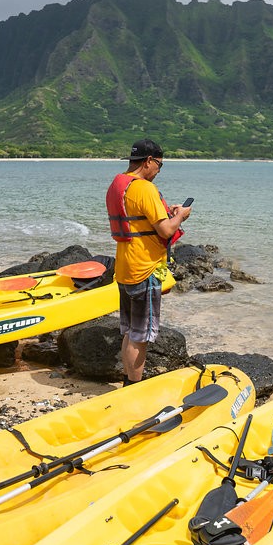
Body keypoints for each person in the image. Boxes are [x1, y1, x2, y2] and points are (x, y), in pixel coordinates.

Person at [106, 138, 191, 386]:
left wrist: (171, 214)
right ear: (149, 161)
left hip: (124, 267)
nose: (158, 171)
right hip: (144, 269)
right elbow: (165, 230)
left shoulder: (118, 184)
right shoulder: (144, 188)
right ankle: (133, 386)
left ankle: (127, 380)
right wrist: (182, 216)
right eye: (160, 165)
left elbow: (141, 219)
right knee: (140, 337)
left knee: (129, 331)